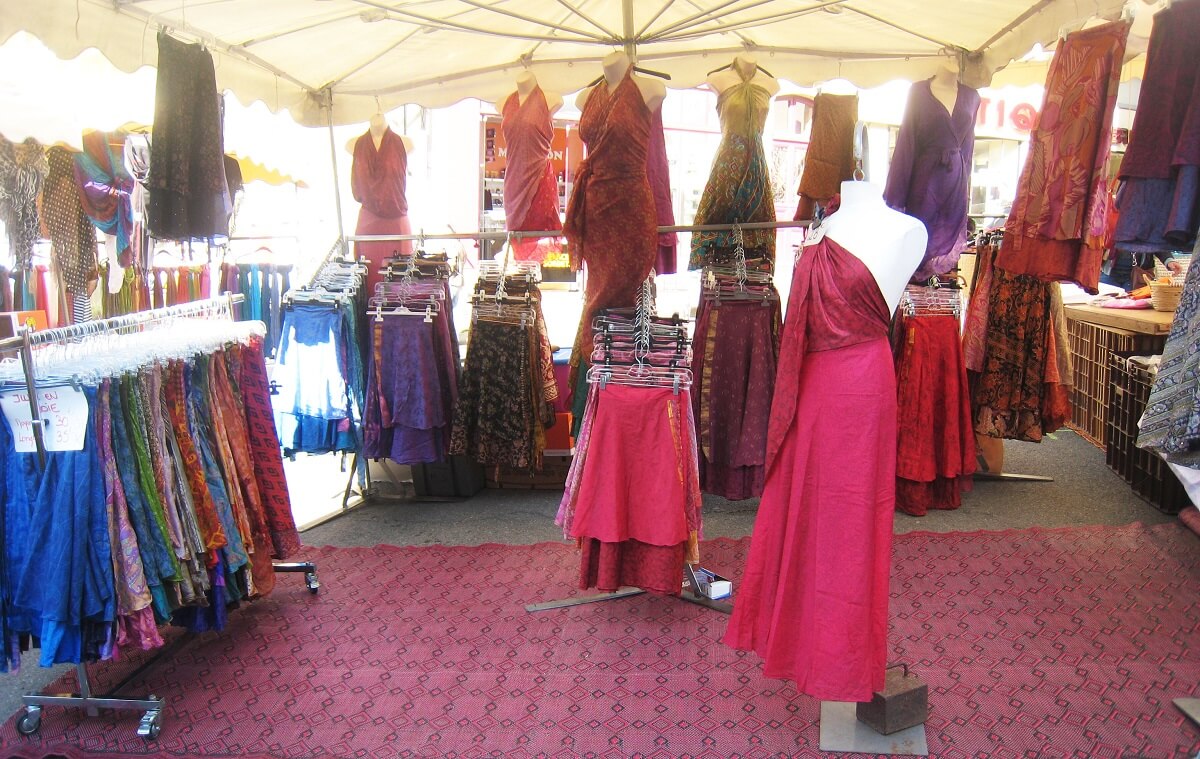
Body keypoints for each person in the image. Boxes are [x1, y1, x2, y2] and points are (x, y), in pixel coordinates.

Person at [724, 179, 927, 703]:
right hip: (811, 389)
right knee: (807, 517)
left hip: (860, 388)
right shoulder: (823, 224)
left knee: (850, 528)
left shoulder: (907, 231)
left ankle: (843, 667)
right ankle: (807, 651)